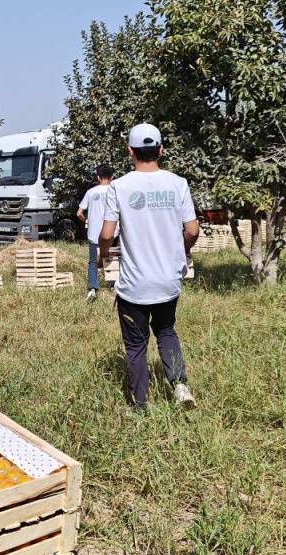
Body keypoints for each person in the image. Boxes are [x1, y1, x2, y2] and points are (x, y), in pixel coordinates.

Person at [99, 124, 201, 410]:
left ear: (130, 151)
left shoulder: (119, 186)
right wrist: (181, 252)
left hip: (135, 285)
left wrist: (101, 255)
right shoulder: (178, 183)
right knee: (166, 331)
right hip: (168, 280)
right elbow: (192, 230)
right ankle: (180, 385)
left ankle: (140, 405)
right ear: (161, 150)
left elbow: (107, 234)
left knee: (136, 345)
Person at [77, 164, 116, 302]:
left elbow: (79, 213)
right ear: (112, 177)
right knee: (111, 258)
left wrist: (87, 220)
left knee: (93, 261)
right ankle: (113, 286)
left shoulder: (91, 192)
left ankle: (93, 289)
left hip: (94, 233)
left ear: (98, 177)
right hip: (112, 232)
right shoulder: (115, 191)